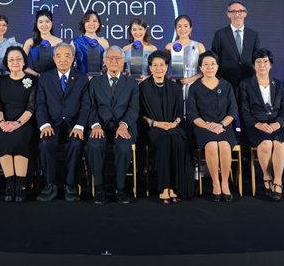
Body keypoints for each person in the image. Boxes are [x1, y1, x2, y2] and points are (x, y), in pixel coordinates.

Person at [35, 43, 90, 202]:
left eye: (67, 56)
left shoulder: (82, 78)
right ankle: (50, 184)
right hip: (52, 124)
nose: (62, 59)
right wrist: (45, 124)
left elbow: (86, 105)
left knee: (76, 143)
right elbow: (40, 105)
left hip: (73, 124)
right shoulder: (45, 78)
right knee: (45, 142)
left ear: (73, 58)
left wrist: (79, 126)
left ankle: (70, 185)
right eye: (58, 56)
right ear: (54, 58)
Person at [86, 46, 139, 204]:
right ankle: (99, 188)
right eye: (110, 58)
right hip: (100, 125)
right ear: (104, 61)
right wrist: (95, 125)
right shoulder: (95, 82)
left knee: (123, 145)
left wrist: (124, 124)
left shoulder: (132, 83)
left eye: (118, 58)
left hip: (123, 126)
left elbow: (134, 109)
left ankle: (119, 188)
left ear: (124, 61)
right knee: (94, 144)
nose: (114, 61)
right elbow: (90, 107)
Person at [186, 51, 239, 202]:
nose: (210, 67)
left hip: (224, 126)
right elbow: (192, 114)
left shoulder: (226, 85)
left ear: (217, 66)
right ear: (200, 68)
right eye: (206, 64)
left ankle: (225, 184)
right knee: (211, 145)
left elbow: (233, 110)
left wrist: (221, 124)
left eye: (213, 64)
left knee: (224, 145)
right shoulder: (195, 87)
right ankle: (216, 184)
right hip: (203, 127)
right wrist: (208, 126)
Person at [239, 49, 284, 201]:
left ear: (271, 65)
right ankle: (267, 176)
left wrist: (278, 124)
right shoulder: (245, 84)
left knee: (279, 144)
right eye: (258, 62)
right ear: (253, 65)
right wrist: (258, 124)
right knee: (266, 144)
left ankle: (278, 181)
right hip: (255, 126)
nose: (262, 65)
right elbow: (244, 110)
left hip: (276, 125)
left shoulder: (280, 85)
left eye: (265, 62)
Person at [140, 51, 188, 203]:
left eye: (162, 65)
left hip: (172, 125)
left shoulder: (175, 87)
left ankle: (174, 187)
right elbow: (139, 113)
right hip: (152, 126)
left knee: (178, 140)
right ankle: (163, 187)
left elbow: (180, 112)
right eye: (155, 65)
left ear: (167, 67)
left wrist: (174, 123)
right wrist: (155, 123)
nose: (159, 68)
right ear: (150, 68)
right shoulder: (143, 87)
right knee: (164, 141)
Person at [0, 46, 37, 202]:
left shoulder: (32, 81)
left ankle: (20, 185)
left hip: (24, 122)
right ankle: (9, 185)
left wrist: (17, 124)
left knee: (19, 138)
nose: (15, 62)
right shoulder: (0, 81)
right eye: (11, 59)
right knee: (3, 137)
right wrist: (2, 122)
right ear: (7, 62)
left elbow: (31, 107)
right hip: (4, 122)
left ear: (24, 61)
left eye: (19, 59)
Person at [211, 1, 260, 95]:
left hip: (248, 80)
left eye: (240, 11)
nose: (237, 14)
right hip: (226, 80)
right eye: (233, 11)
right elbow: (215, 58)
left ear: (245, 14)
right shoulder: (220, 35)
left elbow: (256, 58)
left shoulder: (253, 35)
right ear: (228, 14)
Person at [165, 14, 206, 103]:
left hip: (195, 83)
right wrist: (170, 78)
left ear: (191, 28)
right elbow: (163, 66)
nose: (182, 29)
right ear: (175, 29)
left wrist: (192, 79)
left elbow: (206, 68)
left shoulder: (199, 46)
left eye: (185, 26)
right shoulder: (170, 46)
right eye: (179, 26)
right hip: (176, 85)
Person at [23, 8, 63, 76]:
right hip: (36, 79)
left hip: (54, 79)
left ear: (51, 23)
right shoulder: (30, 42)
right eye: (41, 22)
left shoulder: (59, 42)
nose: (44, 25)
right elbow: (22, 64)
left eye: (47, 21)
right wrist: (37, 75)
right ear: (36, 24)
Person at [70, 10, 110, 75]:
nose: (91, 24)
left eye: (94, 21)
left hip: (99, 79)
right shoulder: (75, 42)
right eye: (88, 21)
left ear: (99, 24)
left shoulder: (104, 43)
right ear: (84, 23)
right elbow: (69, 64)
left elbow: (108, 65)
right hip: (80, 78)